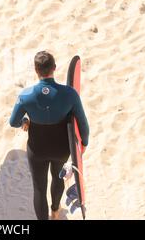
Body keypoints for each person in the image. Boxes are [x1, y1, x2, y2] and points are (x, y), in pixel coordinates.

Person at [9, 51, 89, 220]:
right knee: (58, 179)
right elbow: (83, 124)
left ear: (36, 70)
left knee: (39, 188)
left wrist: (25, 121)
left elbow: (13, 121)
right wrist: (83, 146)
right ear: (54, 68)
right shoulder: (70, 94)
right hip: (61, 148)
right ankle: (55, 212)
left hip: (37, 149)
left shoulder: (25, 96)